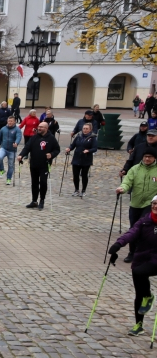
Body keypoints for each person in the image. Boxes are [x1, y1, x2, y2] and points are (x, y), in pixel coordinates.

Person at [109, 194, 157, 335]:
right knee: (138, 293)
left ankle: (148, 296)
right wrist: (118, 244)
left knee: (139, 272)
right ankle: (139, 325)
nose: (155, 206)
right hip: (141, 259)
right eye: (153, 203)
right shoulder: (144, 222)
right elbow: (131, 233)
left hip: (156, 260)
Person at [116, 148, 157, 264]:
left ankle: (146, 253)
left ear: (154, 158)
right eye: (145, 156)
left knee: (144, 227)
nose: (147, 159)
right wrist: (122, 188)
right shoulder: (135, 169)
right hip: (135, 203)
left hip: (151, 204)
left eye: (150, 157)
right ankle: (132, 252)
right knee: (133, 228)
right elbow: (127, 182)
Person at [18, 121, 60, 210]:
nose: (39, 128)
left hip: (44, 164)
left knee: (43, 183)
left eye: (41, 127)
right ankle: (34, 201)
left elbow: (57, 149)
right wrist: (21, 155)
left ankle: (42, 200)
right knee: (34, 182)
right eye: (39, 127)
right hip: (34, 163)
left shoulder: (51, 138)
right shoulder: (34, 137)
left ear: (46, 128)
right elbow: (27, 147)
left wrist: (51, 155)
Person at [66, 122, 98, 197]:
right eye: (84, 128)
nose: (85, 130)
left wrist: (88, 150)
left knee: (84, 175)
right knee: (75, 175)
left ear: (90, 130)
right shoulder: (78, 136)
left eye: (87, 129)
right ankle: (76, 189)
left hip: (86, 159)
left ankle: (83, 190)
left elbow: (95, 148)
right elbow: (73, 145)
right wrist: (69, 148)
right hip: (76, 158)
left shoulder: (93, 138)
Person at [0, 115, 22, 185]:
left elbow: (19, 137)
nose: (10, 122)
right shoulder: (3, 129)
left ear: (14, 122)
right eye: (9, 121)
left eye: (11, 121)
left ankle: (8, 178)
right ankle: (2, 170)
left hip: (12, 150)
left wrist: (16, 143)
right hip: (3, 148)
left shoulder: (17, 129)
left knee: (11, 165)